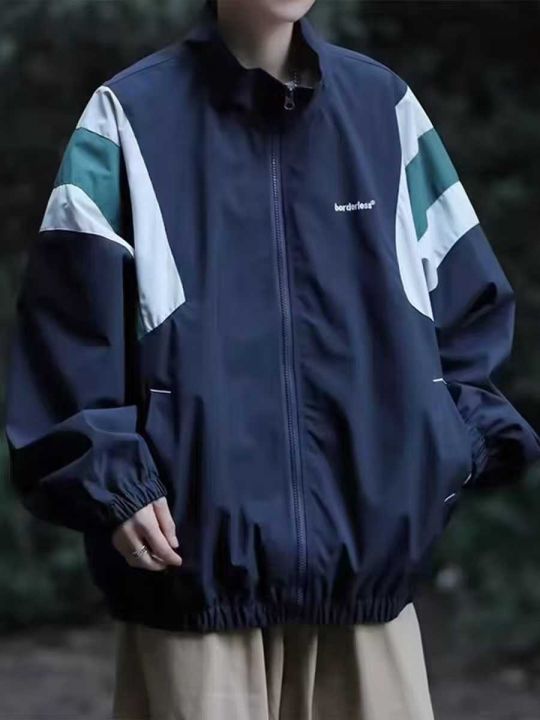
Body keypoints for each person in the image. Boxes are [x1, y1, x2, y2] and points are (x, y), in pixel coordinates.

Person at [5, 0, 540, 717]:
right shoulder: (128, 116)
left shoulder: (384, 109)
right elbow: (66, 334)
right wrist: (113, 479)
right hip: (193, 584)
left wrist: (440, 451)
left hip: (368, 586)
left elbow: (469, 309)